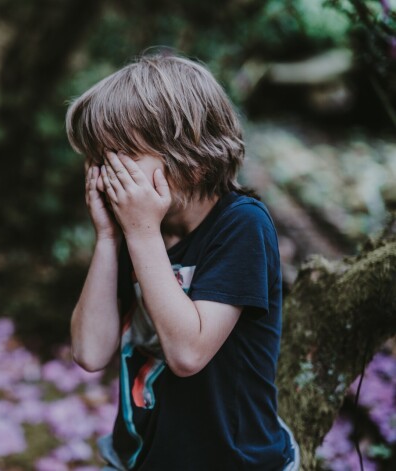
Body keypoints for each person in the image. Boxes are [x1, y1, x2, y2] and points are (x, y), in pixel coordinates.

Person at [65, 52, 300, 470]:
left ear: (190, 159)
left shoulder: (241, 225)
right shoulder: (133, 229)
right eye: (100, 159)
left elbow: (188, 353)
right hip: (138, 458)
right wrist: (107, 238)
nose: (109, 174)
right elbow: (89, 351)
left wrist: (140, 233)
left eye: (123, 157)